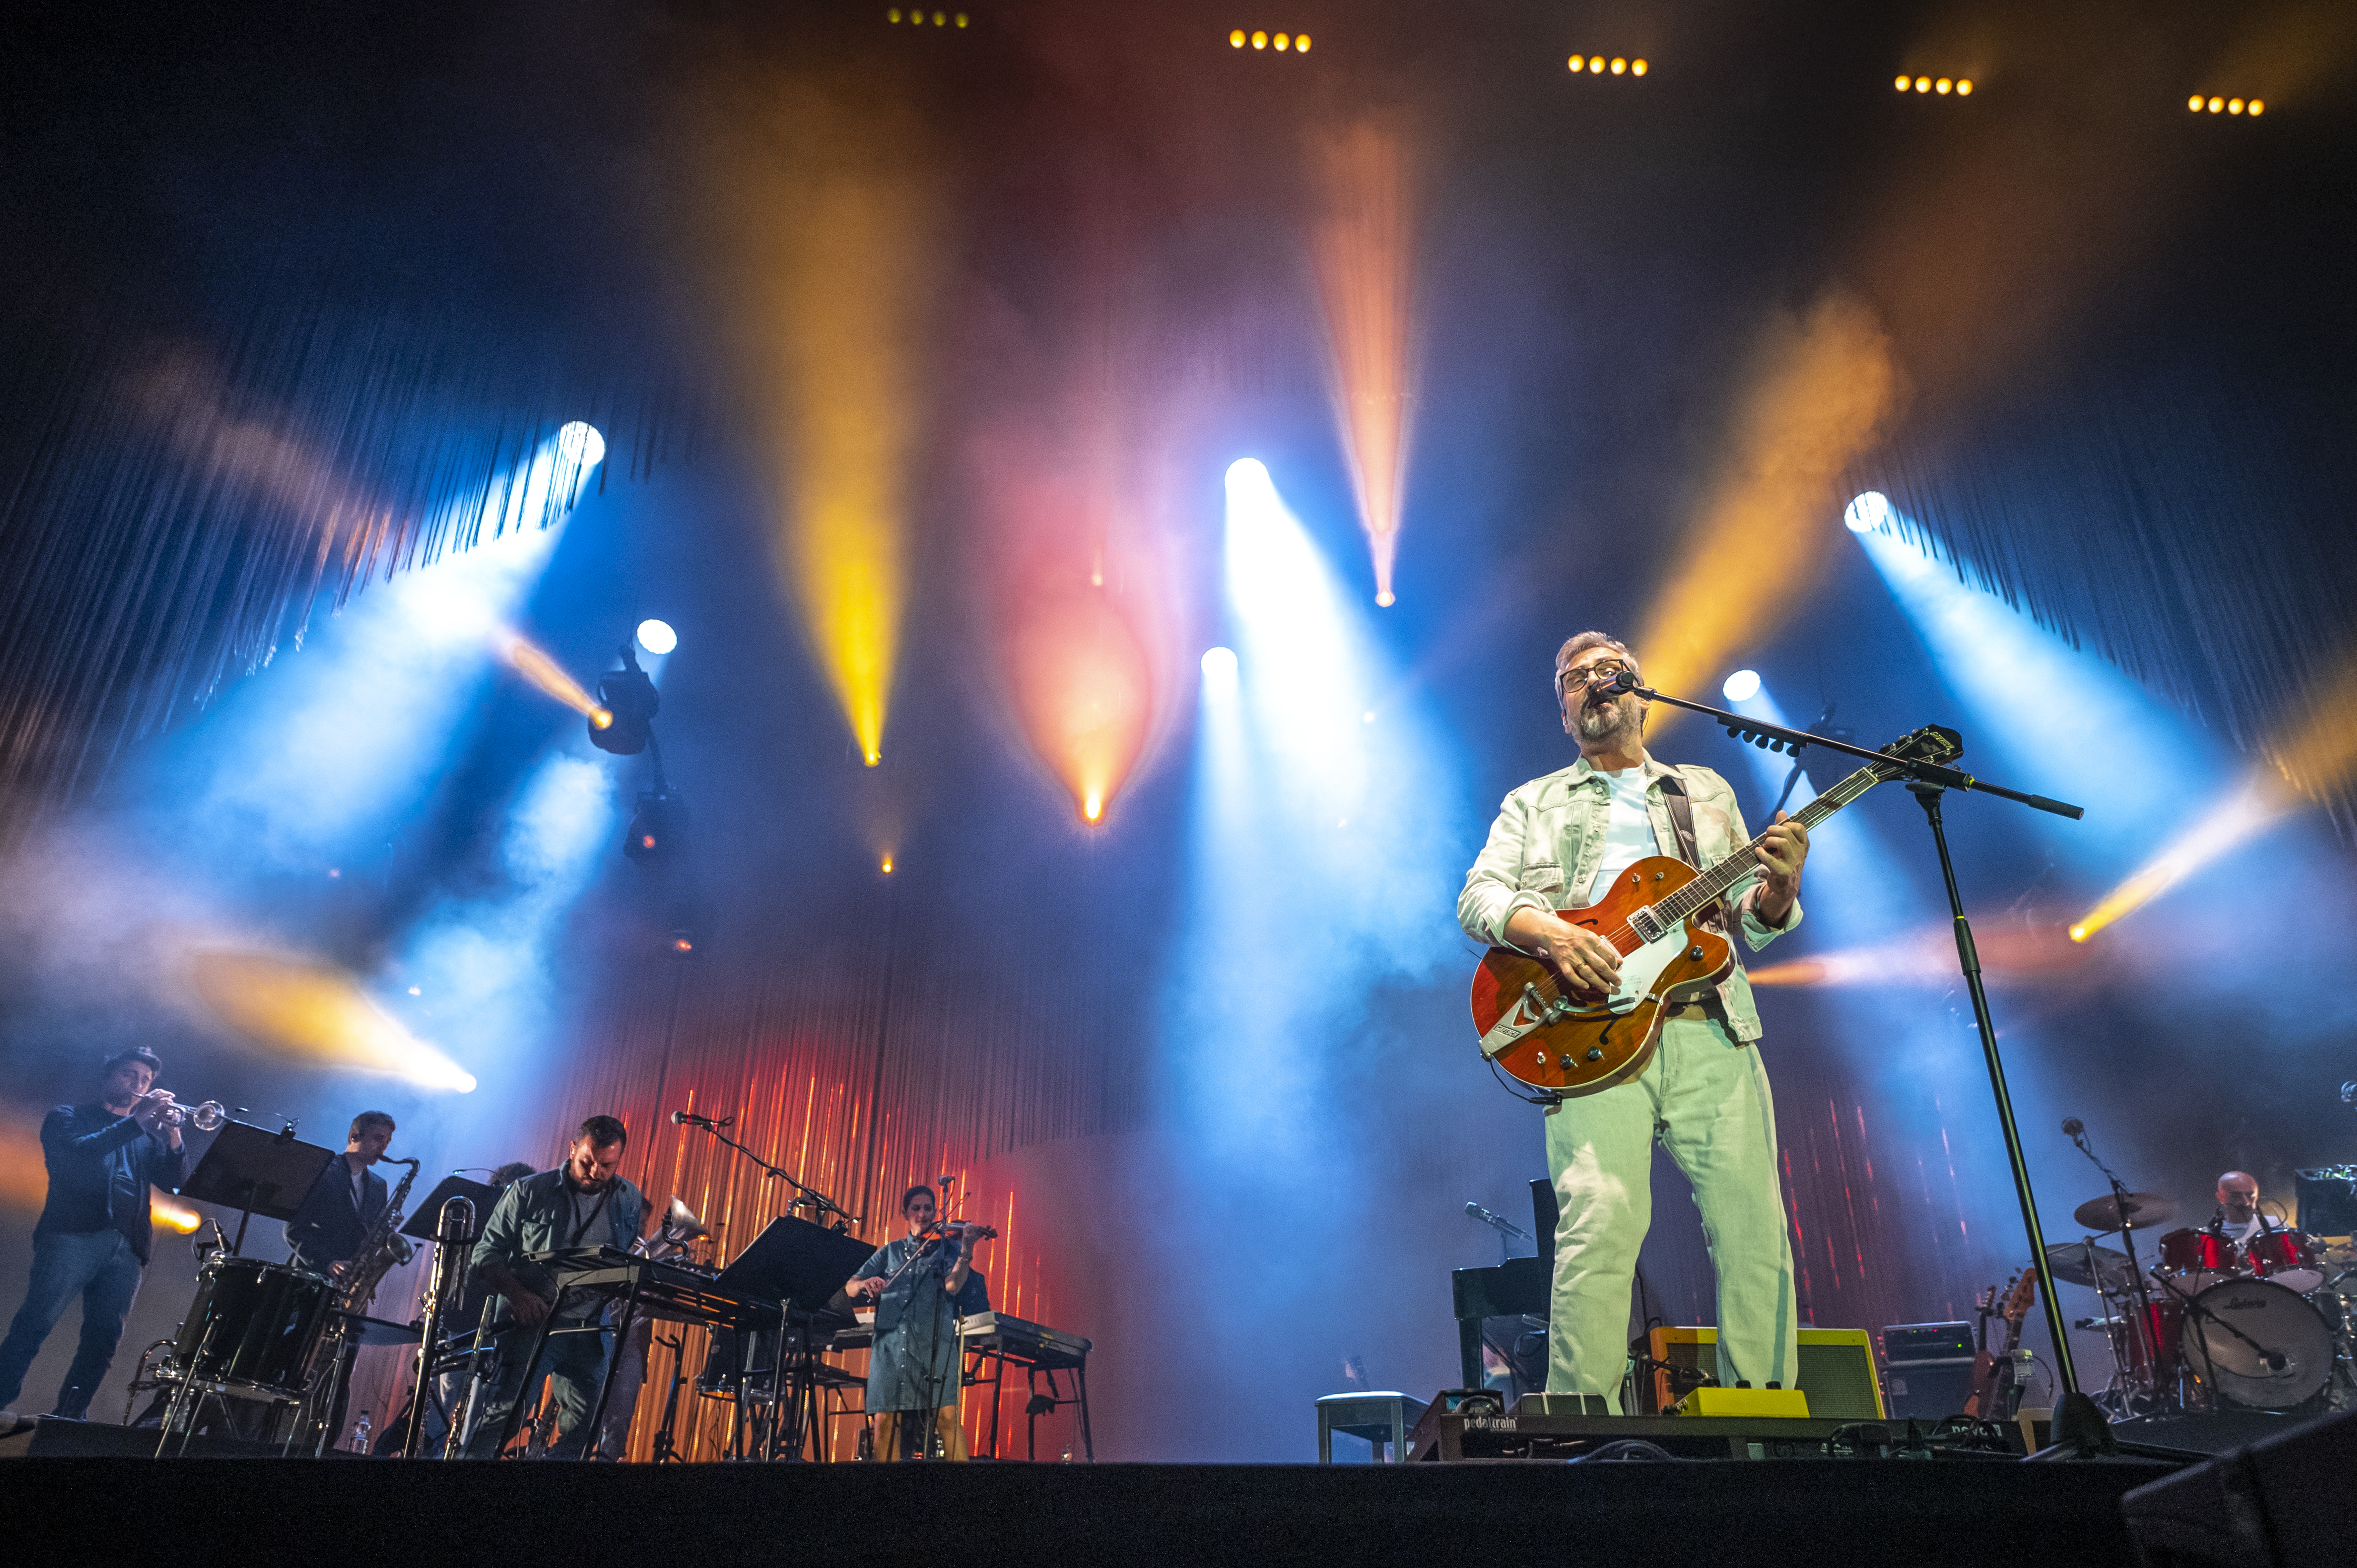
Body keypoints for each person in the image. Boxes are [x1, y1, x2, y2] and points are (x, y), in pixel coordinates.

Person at [1457, 631, 1811, 1413]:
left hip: (1706, 1023)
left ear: (1638, 692)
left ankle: (1760, 1415)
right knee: (1598, 1227)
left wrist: (1779, 887)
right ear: (1561, 712)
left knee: (1752, 1228)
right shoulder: (1533, 803)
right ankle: (1581, 1424)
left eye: (1606, 673)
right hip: (1590, 1035)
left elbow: (1750, 924)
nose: (1592, 683)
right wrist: (1551, 933)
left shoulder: (1706, 792)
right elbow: (1477, 898)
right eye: (1573, 678)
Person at [0, 1048, 191, 1421]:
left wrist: (173, 1130)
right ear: (107, 1078)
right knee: (35, 1322)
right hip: (72, 1235)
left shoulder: (148, 1137)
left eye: (146, 1080)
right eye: (129, 1075)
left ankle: (71, 1416)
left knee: (103, 1339)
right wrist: (137, 1120)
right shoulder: (68, 1117)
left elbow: (176, 1183)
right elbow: (79, 1155)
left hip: (127, 1248)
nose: (138, 1084)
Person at [463, 1117, 645, 1459]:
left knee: (584, 1429)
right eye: (587, 1162)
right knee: (504, 1419)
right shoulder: (529, 1189)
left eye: (608, 1165)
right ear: (573, 1148)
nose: (595, 1172)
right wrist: (519, 1296)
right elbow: (486, 1253)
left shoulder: (629, 1197)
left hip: (591, 1329)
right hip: (536, 1323)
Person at [847, 1184, 990, 1460]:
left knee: (946, 1418)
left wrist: (966, 1249)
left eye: (928, 1208)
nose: (923, 1214)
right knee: (885, 1422)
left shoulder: (947, 1249)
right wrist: (867, 1282)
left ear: (936, 1212)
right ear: (905, 1213)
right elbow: (850, 1286)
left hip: (933, 1342)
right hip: (890, 1346)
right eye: (916, 1208)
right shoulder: (891, 1252)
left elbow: (953, 1285)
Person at [283, 1111, 396, 1273]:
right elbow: (294, 1229)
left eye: (387, 1142)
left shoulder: (379, 1185)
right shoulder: (322, 1170)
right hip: (310, 1275)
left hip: (349, 1280)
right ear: (354, 1136)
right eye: (378, 1138)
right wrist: (327, 1263)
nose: (383, 1147)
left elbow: (370, 1236)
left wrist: (388, 1229)